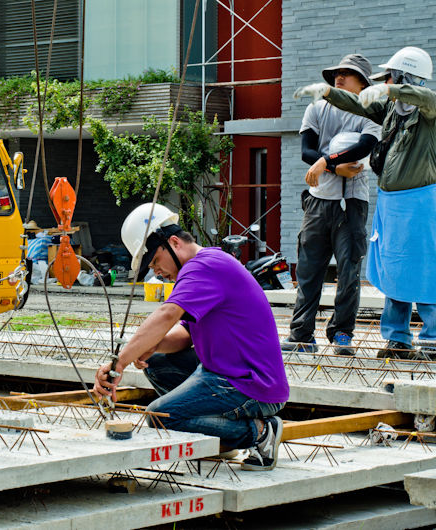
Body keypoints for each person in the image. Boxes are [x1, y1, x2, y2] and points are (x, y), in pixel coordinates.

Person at [94, 204, 289, 471]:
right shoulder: (208, 264)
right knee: (160, 361)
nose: (157, 272)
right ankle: (221, 438)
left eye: (155, 261)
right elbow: (185, 335)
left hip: (250, 385)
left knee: (161, 416)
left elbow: (167, 314)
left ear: (173, 242)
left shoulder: (204, 267)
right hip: (225, 373)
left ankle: (260, 433)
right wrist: (153, 345)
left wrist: (119, 363)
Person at [295, 47, 436, 360]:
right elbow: (358, 102)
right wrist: (329, 93)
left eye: (389, 76)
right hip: (392, 202)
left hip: (420, 203)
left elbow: (427, 99)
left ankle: (432, 339)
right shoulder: (390, 110)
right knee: (393, 271)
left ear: (403, 77)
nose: (382, 82)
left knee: (425, 270)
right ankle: (397, 338)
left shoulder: (427, 110)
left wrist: (391, 88)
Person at [282, 54, 380, 356]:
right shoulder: (317, 108)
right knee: (310, 270)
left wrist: (326, 160)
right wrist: (334, 167)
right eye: (336, 73)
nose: (339, 77)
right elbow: (306, 151)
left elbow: (365, 146)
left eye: (347, 74)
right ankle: (301, 334)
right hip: (317, 201)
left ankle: (342, 334)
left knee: (349, 271)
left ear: (363, 82)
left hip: (353, 202)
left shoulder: (370, 111)